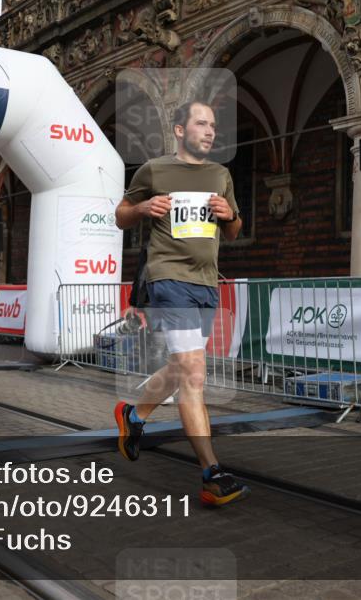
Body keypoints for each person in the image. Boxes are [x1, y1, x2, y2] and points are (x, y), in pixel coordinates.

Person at [113, 100, 249, 508]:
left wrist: (229, 215)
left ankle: (133, 415)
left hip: (206, 284)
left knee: (180, 367)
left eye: (213, 125)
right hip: (168, 279)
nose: (210, 131)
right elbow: (120, 216)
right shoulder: (154, 170)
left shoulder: (220, 174)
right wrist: (140, 208)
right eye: (201, 123)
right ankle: (211, 472)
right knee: (193, 373)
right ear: (179, 130)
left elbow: (235, 232)